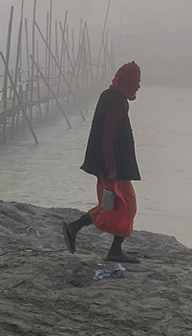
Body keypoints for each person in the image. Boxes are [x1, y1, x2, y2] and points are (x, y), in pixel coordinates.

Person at [63, 61, 142, 264]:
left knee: (111, 205)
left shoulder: (108, 95)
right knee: (128, 205)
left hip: (108, 165)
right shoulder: (117, 102)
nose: (138, 86)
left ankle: (75, 227)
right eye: (136, 81)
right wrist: (112, 168)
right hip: (113, 167)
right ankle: (114, 250)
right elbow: (108, 138)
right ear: (127, 81)